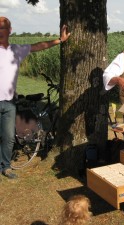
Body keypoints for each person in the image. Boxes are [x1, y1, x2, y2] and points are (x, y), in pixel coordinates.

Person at [0, 16, 71, 179]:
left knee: (8, 137)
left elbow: (38, 46)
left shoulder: (16, 50)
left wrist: (60, 40)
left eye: (4, 28)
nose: (1, 31)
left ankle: (5, 167)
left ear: (10, 31)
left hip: (9, 103)